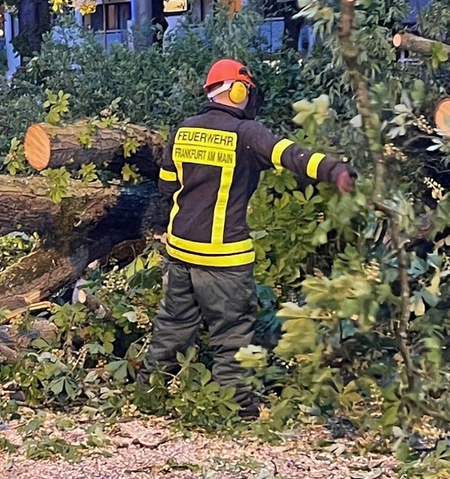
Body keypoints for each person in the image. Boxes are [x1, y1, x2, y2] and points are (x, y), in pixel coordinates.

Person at [146, 59, 357, 406]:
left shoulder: (184, 130)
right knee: (232, 333)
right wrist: (335, 171)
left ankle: (151, 390)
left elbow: (167, 185)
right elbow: (292, 155)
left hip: (180, 252)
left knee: (173, 323)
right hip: (223, 258)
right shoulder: (247, 133)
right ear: (239, 91)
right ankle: (236, 405)